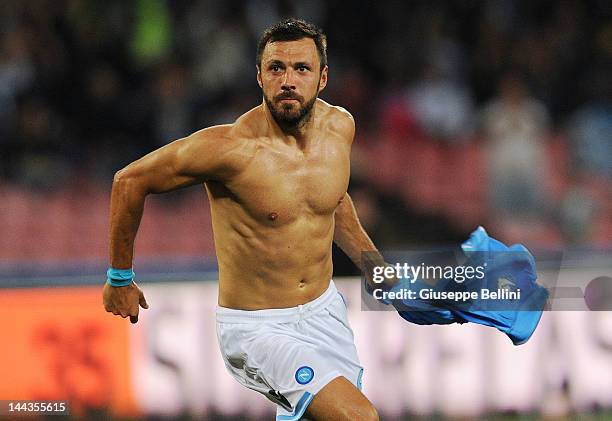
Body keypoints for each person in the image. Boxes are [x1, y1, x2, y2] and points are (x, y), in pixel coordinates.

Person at [103, 18, 381, 421]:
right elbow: (129, 181)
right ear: (259, 76)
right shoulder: (229, 149)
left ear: (322, 78)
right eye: (276, 68)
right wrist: (119, 278)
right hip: (258, 327)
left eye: (301, 68)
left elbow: (332, 202)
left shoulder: (340, 127)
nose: (288, 80)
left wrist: (378, 271)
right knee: (358, 417)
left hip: (326, 313)